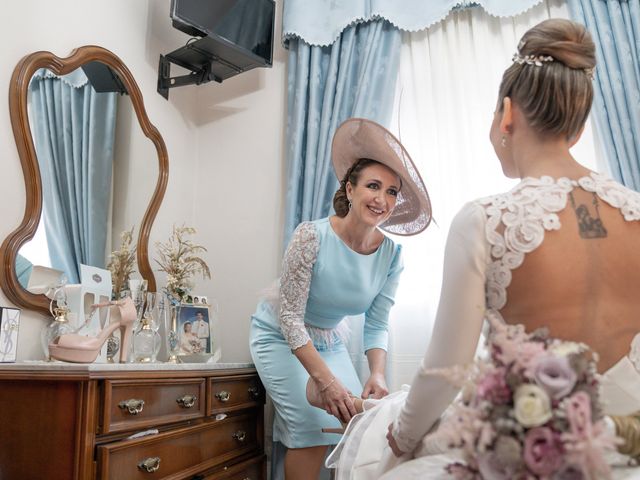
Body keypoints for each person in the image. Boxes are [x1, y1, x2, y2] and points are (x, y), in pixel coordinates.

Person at [327, 19, 640, 479]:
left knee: (377, 439)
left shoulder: (486, 220)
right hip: (625, 445)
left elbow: (445, 368)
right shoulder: (636, 210)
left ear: (506, 115)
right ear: (577, 127)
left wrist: (404, 435)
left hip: (528, 449)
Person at [249, 118, 431, 479]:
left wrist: (376, 373)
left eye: (392, 192)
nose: (382, 200)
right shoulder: (310, 237)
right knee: (313, 430)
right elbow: (289, 319)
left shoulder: (391, 255)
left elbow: (377, 322)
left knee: (354, 426)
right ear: (350, 189)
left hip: (329, 341)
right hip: (280, 337)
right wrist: (326, 382)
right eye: (373, 186)